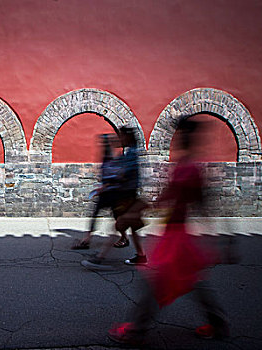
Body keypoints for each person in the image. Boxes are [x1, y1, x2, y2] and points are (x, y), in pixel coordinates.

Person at [108, 119, 228, 345]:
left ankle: (136, 331)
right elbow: (202, 204)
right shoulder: (190, 165)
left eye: (181, 134)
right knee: (192, 281)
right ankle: (218, 324)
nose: (178, 138)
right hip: (178, 235)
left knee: (157, 282)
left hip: (176, 237)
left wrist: (132, 213)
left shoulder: (188, 168)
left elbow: (169, 199)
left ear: (187, 137)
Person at [80, 127, 148, 269]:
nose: (120, 139)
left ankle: (99, 258)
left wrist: (106, 186)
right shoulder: (131, 152)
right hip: (129, 196)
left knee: (117, 226)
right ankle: (141, 256)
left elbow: (122, 175)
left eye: (122, 136)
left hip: (127, 197)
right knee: (133, 228)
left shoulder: (130, 154)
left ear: (127, 137)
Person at [71, 133, 129, 250]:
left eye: (104, 145)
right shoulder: (106, 160)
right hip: (106, 193)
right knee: (97, 214)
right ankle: (87, 239)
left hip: (113, 194)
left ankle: (123, 238)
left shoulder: (113, 160)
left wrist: (104, 186)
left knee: (116, 217)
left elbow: (116, 177)